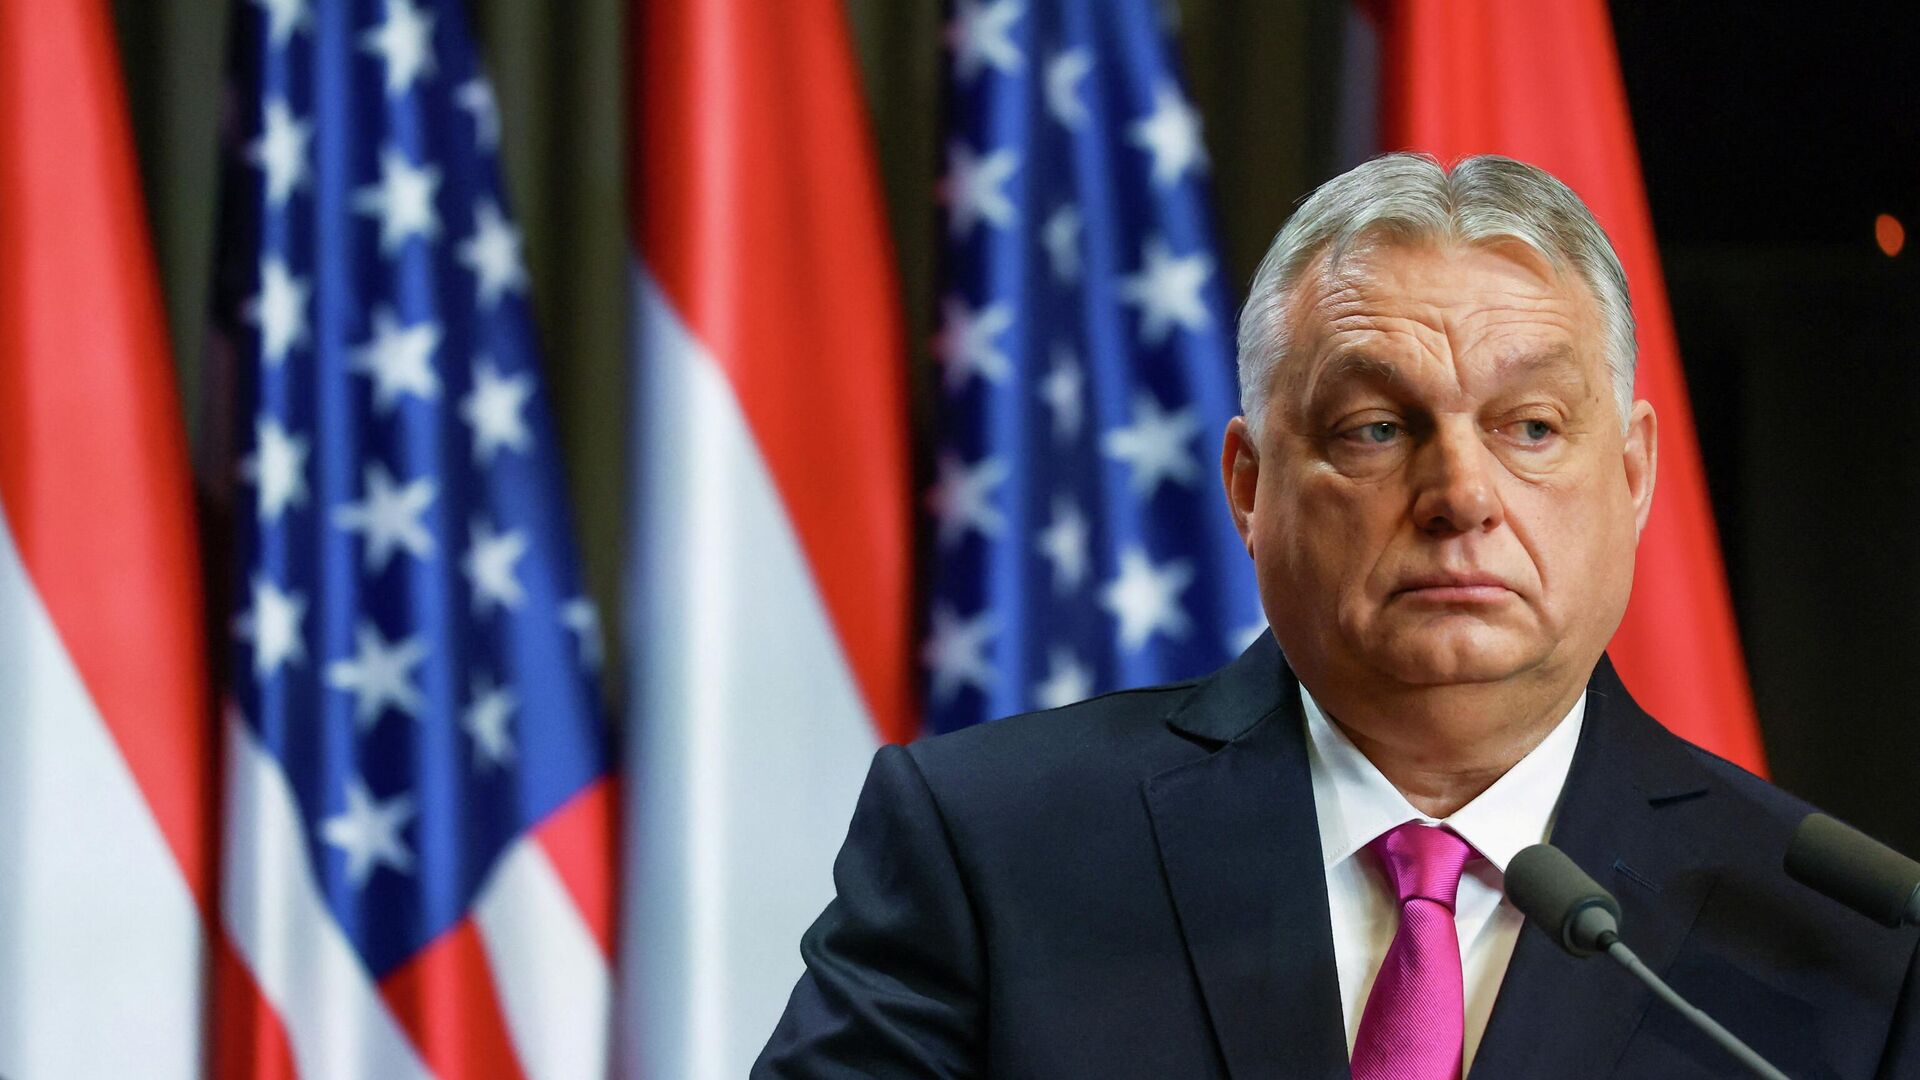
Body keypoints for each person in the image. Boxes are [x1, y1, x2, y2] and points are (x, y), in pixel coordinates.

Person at [754, 154, 1920, 1078]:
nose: (1461, 495)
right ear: (1250, 487)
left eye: (1530, 428)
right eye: (1376, 429)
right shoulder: (990, 848)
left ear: (1632, 475)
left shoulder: (1838, 941)